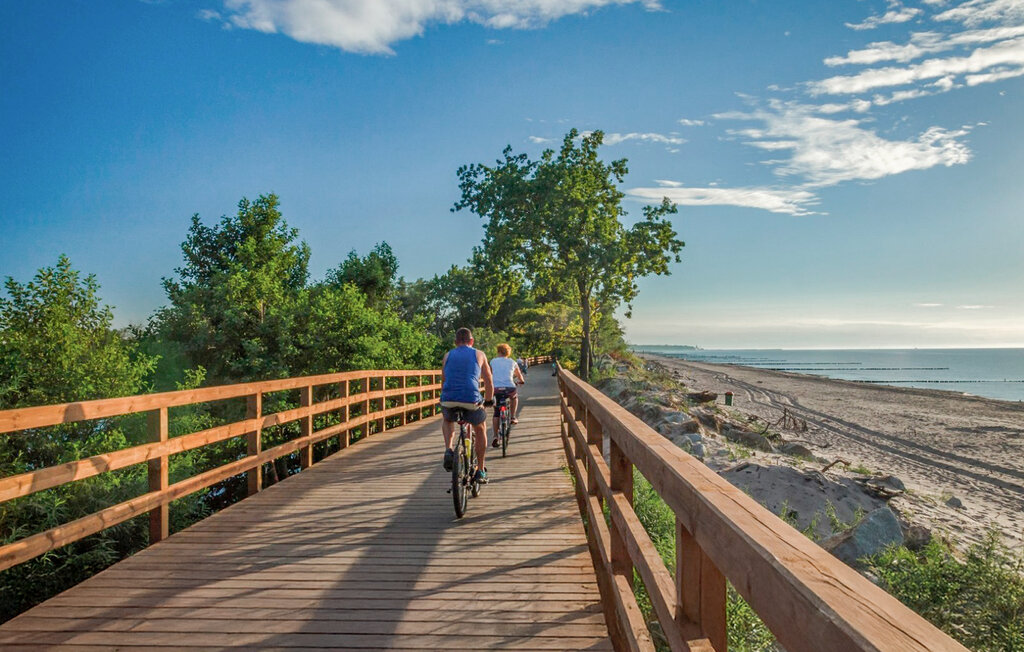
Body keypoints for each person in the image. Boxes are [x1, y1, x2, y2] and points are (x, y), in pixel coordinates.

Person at [439, 327, 494, 483]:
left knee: (448, 419)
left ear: (456, 342)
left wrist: (445, 398)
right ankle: (481, 470)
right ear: (472, 341)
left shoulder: (447, 355)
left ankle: (449, 449)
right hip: (471, 399)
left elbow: (443, 380)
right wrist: (489, 400)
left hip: (448, 397)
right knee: (480, 426)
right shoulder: (479, 354)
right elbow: (488, 380)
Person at [491, 344, 526, 447]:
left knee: (497, 412)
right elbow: (519, 375)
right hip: (509, 387)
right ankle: (513, 417)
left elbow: (490, 374)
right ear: (508, 352)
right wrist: (521, 381)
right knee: (514, 397)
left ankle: (495, 436)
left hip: (496, 389)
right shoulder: (512, 362)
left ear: (498, 352)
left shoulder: (493, 361)